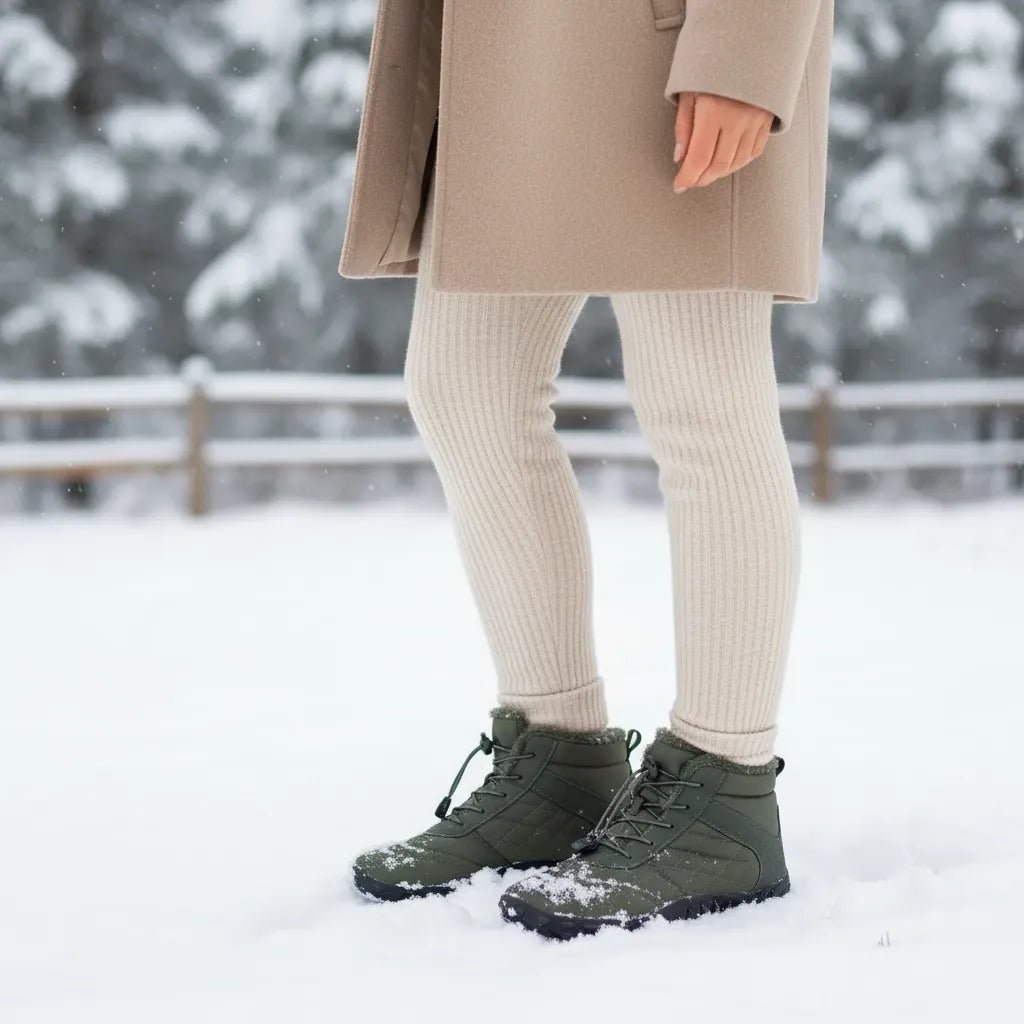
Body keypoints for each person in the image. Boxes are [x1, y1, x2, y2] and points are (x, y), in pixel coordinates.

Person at [339, 1, 834, 939]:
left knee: (700, 398)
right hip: (514, 49)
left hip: (667, 40)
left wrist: (746, 52)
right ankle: (558, 764)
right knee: (464, 384)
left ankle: (724, 794)